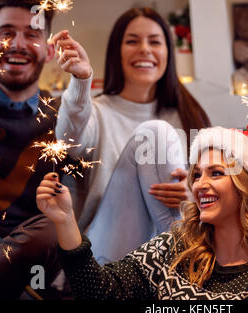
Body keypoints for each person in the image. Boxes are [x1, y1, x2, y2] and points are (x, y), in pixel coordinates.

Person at [36, 127, 248, 300]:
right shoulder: (175, 245)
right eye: (197, 174)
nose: (199, 184)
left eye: (216, 173)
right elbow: (99, 291)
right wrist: (66, 220)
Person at [51, 7, 211, 263]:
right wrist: (81, 80)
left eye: (155, 42)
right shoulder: (97, 112)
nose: (145, 49)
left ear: (168, 53)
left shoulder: (189, 115)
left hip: (168, 248)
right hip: (105, 256)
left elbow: (218, 191)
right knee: (155, 134)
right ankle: (186, 269)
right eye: (132, 41)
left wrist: (194, 192)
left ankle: (182, 269)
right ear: (117, 52)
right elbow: (68, 141)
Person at [0, 0, 61, 299]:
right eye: (7, 33)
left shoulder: (62, 117)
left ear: (49, 50)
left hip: (30, 265)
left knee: (52, 230)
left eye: (32, 35)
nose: (17, 45)